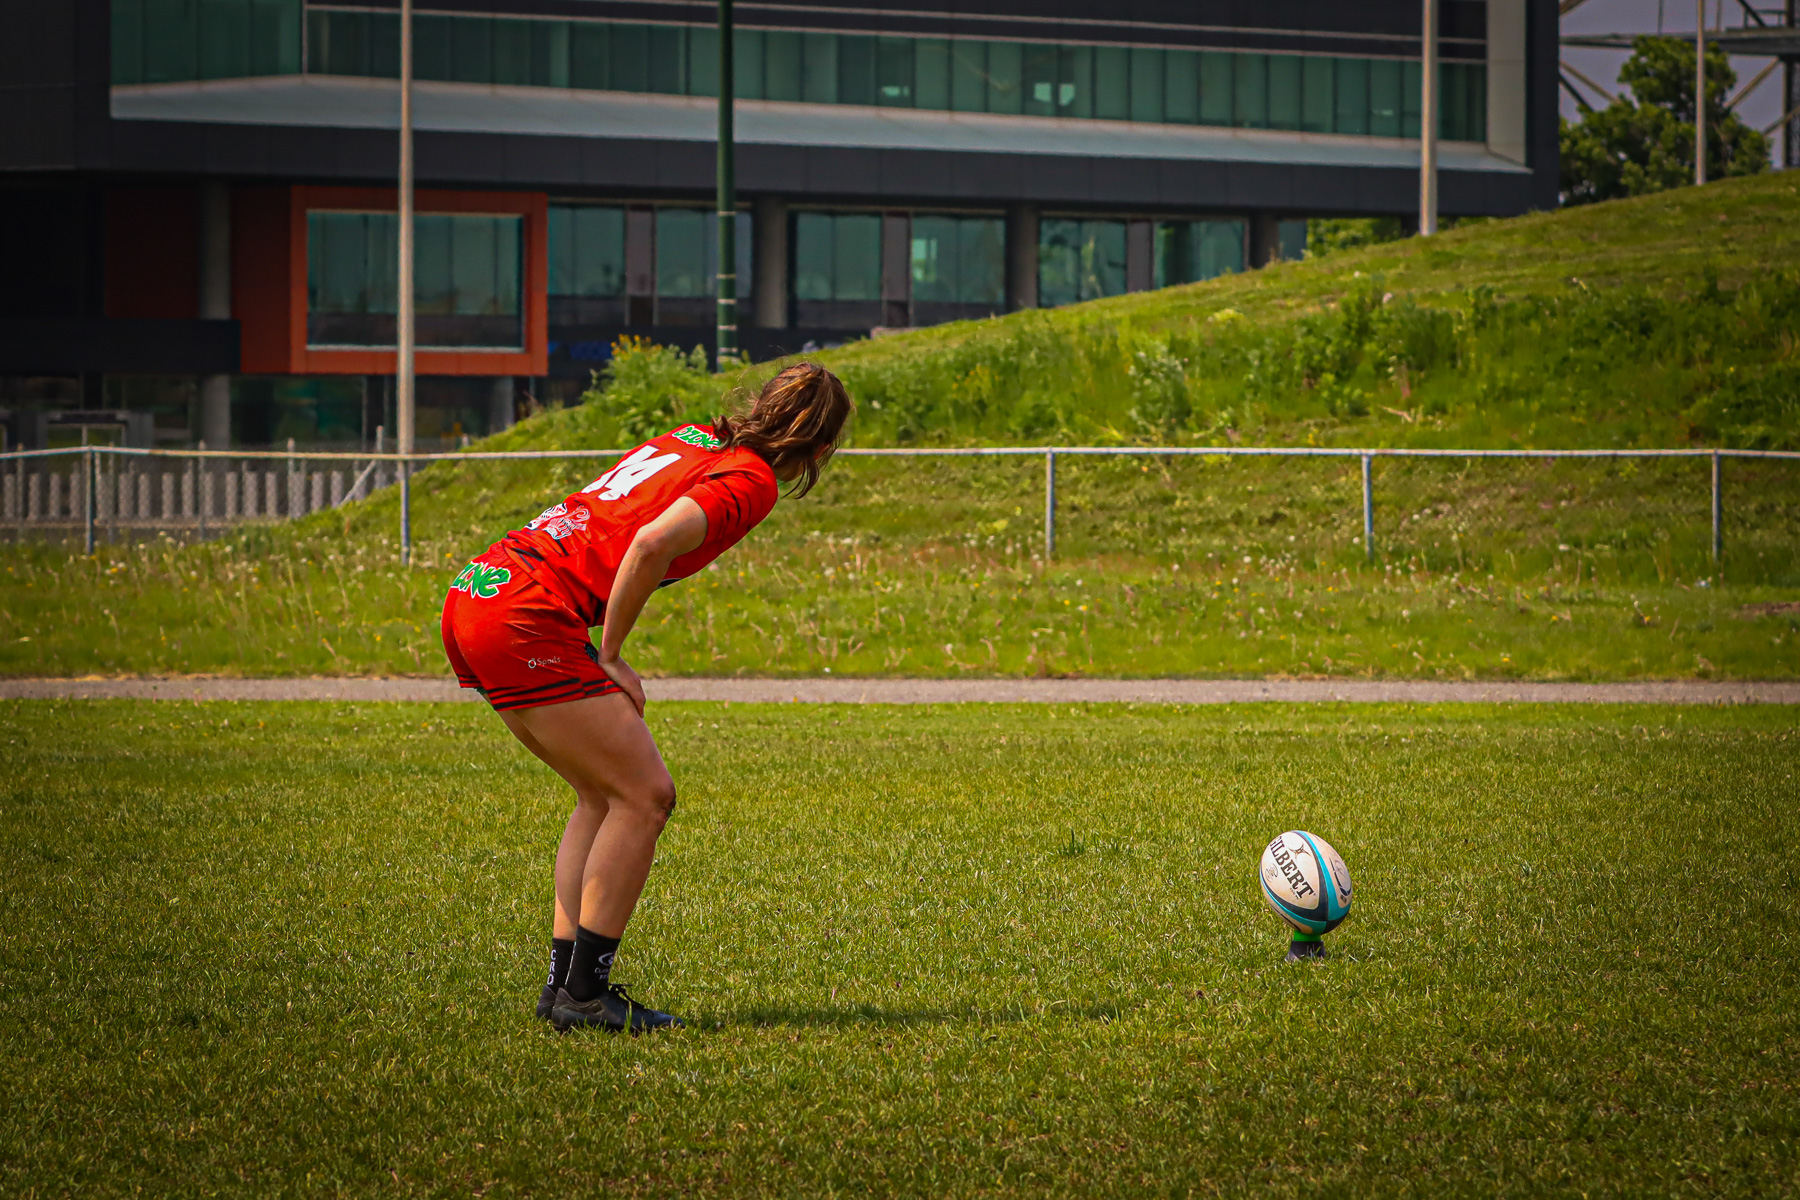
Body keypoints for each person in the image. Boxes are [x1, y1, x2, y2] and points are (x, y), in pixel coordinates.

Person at [440, 362, 852, 1032]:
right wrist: (611, 655)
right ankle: (584, 996)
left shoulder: (693, 436)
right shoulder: (752, 478)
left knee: (602, 795)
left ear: (762, 403)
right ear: (822, 447)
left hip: (482, 586)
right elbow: (650, 542)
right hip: (527, 611)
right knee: (646, 796)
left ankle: (562, 989)